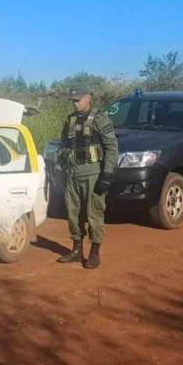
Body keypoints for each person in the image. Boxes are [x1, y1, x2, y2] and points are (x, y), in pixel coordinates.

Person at [55, 85, 118, 269]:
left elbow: (111, 148)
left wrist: (107, 174)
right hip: (73, 173)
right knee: (73, 214)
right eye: (73, 100)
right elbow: (64, 147)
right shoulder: (70, 120)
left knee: (94, 214)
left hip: (93, 173)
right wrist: (61, 167)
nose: (75, 103)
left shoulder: (100, 119)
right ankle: (76, 249)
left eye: (78, 100)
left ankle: (94, 252)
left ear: (88, 98)